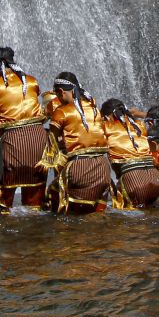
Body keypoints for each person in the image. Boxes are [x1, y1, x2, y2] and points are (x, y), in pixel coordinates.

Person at [0, 47, 48, 213]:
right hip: (39, 139)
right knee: (34, 205)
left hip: (14, 140)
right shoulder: (31, 81)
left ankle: (6, 233)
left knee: (2, 198)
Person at [47, 72, 111, 214]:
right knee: (97, 215)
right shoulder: (95, 109)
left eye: (57, 94)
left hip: (79, 168)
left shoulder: (62, 111)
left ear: (60, 91)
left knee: (53, 198)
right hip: (104, 168)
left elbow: (52, 144)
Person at [101, 99, 159, 209]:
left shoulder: (106, 126)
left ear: (107, 116)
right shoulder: (139, 125)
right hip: (156, 179)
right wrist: (140, 114)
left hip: (133, 182)